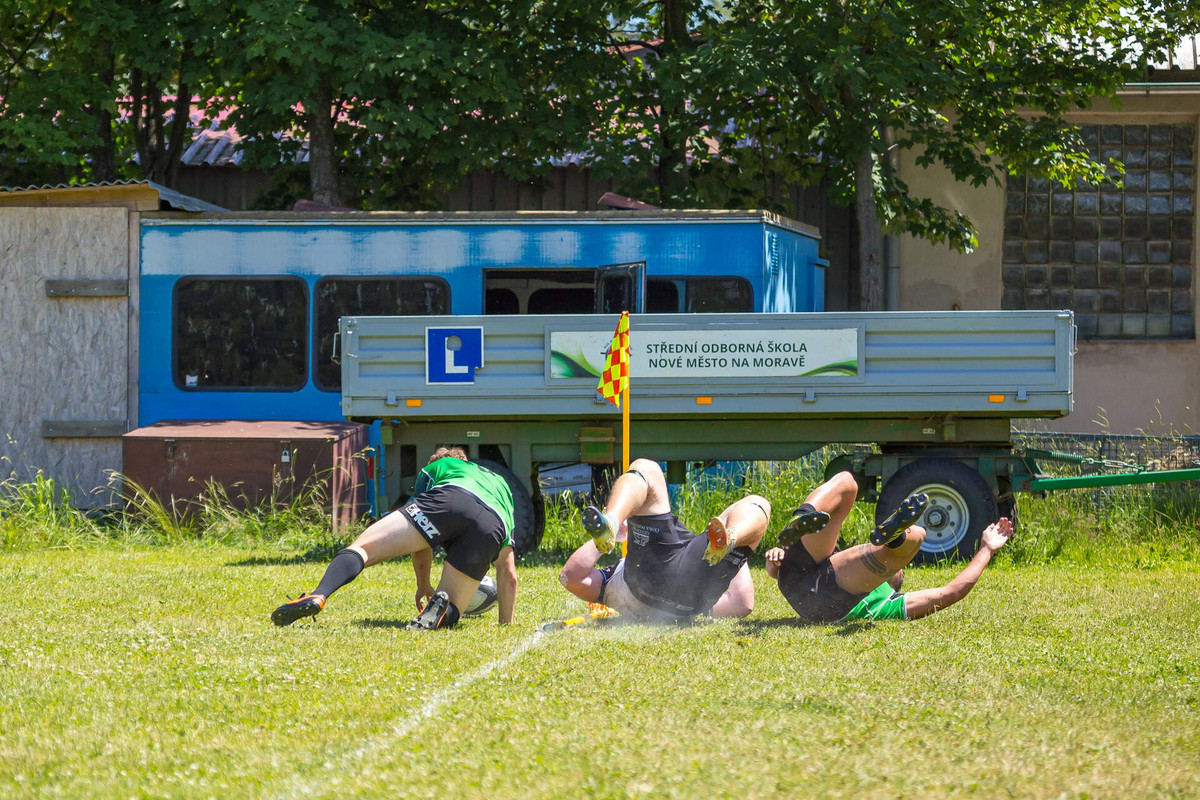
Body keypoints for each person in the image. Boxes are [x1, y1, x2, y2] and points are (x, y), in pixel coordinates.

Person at [271, 446, 518, 630]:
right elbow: (509, 573)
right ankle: (445, 612)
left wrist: (423, 585)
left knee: (363, 548)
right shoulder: (502, 485)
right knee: (452, 606)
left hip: (451, 498)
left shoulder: (439, 466)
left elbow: (421, 541)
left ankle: (319, 594)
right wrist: (505, 626)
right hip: (492, 524)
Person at [765, 471, 1013, 623]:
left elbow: (951, 592)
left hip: (824, 603)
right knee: (847, 482)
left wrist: (987, 549)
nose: (898, 569)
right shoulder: (844, 563)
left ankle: (894, 537)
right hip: (804, 572)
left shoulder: (889, 605)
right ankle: (801, 516)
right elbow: (776, 573)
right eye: (899, 566)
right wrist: (776, 562)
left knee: (917, 533)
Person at [558, 458, 770, 623]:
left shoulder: (609, 589)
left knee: (646, 469)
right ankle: (733, 537)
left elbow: (571, 577)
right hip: (690, 598)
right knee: (757, 504)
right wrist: (736, 549)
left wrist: (605, 541)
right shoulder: (610, 586)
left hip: (653, 584)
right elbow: (742, 604)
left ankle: (613, 521)